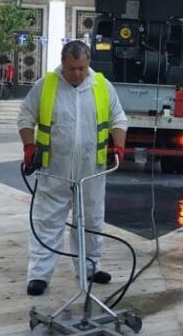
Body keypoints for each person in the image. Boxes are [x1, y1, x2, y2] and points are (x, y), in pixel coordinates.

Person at [18, 40, 127, 296]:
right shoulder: (46, 86)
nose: (77, 74)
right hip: (54, 169)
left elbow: (119, 118)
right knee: (47, 222)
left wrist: (119, 146)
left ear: (88, 63)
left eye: (82, 68)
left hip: (91, 170)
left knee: (91, 220)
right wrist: (29, 146)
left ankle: (90, 267)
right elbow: (25, 116)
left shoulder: (102, 86)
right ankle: (39, 275)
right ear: (62, 64)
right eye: (72, 69)